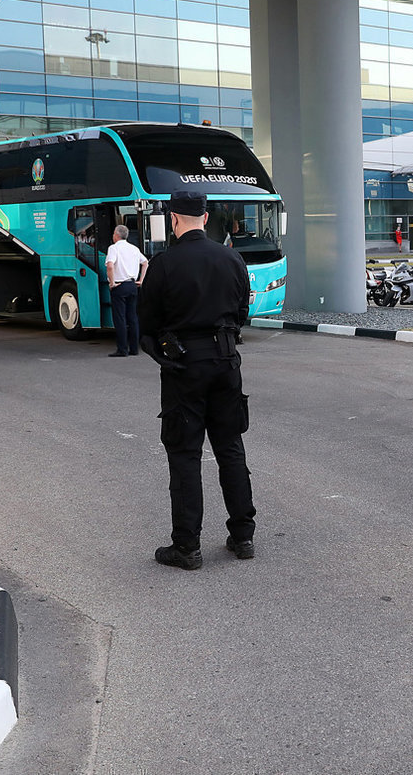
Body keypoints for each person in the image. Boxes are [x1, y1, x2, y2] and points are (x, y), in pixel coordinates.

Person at [138, 191, 257, 570]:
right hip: (226, 362)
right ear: (205, 218)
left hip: (184, 366)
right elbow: (242, 312)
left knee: (185, 454)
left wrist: (166, 350)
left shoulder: (164, 264)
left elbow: (147, 325)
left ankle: (186, 546)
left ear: (173, 219)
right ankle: (243, 535)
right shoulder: (232, 258)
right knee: (230, 447)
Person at [105, 224, 148, 357]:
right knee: (133, 318)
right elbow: (145, 262)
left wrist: (112, 283)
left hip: (119, 286)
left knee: (120, 318)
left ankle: (122, 349)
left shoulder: (113, 248)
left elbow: (110, 266)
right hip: (132, 286)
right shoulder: (134, 248)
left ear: (116, 235)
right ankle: (134, 349)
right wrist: (141, 280)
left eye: (113, 234)